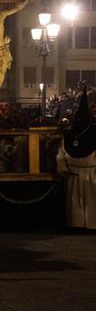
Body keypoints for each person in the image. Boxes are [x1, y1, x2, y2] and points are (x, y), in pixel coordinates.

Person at [57, 85, 95, 228]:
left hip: (74, 173)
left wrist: (62, 168)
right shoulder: (92, 131)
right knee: (90, 202)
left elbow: (60, 154)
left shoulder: (69, 134)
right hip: (91, 173)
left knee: (76, 202)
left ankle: (77, 223)